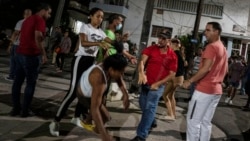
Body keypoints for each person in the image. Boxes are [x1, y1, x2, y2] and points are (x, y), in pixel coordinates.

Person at [49, 7, 113, 137]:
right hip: (80, 60)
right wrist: (99, 43)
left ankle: (76, 117)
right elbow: (83, 43)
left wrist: (120, 47)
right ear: (90, 16)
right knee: (73, 91)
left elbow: (111, 42)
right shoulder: (85, 27)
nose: (100, 19)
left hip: (91, 62)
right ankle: (55, 121)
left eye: (101, 17)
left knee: (84, 91)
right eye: (97, 16)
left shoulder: (101, 32)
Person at [182, 22, 228, 141]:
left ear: (216, 32)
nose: (205, 33)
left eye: (208, 30)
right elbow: (226, 70)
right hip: (216, 91)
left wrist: (190, 80)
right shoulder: (223, 48)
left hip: (204, 91)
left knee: (193, 121)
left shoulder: (211, 47)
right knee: (206, 122)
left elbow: (205, 69)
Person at [131, 30, 177, 141]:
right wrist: (142, 73)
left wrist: (158, 83)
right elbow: (142, 61)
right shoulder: (151, 49)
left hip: (157, 87)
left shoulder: (172, 56)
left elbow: (172, 74)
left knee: (149, 108)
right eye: (159, 37)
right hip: (146, 84)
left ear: (169, 41)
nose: (160, 40)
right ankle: (151, 121)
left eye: (163, 38)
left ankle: (141, 135)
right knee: (143, 105)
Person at [10, 3, 51, 117]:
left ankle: (16, 108)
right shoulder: (39, 20)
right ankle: (25, 110)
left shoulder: (27, 20)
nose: (49, 15)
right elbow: (38, 37)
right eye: (49, 12)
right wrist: (43, 54)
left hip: (19, 53)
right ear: (43, 10)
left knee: (17, 82)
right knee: (30, 83)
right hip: (31, 55)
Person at [77, 54, 130, 141]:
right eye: (121, 72)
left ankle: (92, 126)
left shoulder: (108, 65)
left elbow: (119, 79)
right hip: (84, 96)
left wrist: (125, 95)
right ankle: (100, 133)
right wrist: (104, 136)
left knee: (105, 117)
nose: (122, 75)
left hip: (91, 90)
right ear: (111, 69)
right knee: (104, 117)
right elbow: (94, 108)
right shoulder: (98, 78)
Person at [160, 38, 185, 121]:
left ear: (174, 45)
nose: (169, 46)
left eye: (170, 44)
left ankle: (170, 115)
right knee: (171, 95)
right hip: (180, 78)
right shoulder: (180, 53)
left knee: (165, 95)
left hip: (175, 78)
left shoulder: (174, 54)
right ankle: (172, 114)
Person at [5, 9, 32, 81]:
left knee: (13, 61)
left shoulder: (21, 22)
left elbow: (16, 33)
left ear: (24, 15)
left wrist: (10, 45)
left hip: (17, 45)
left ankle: (12, 76)